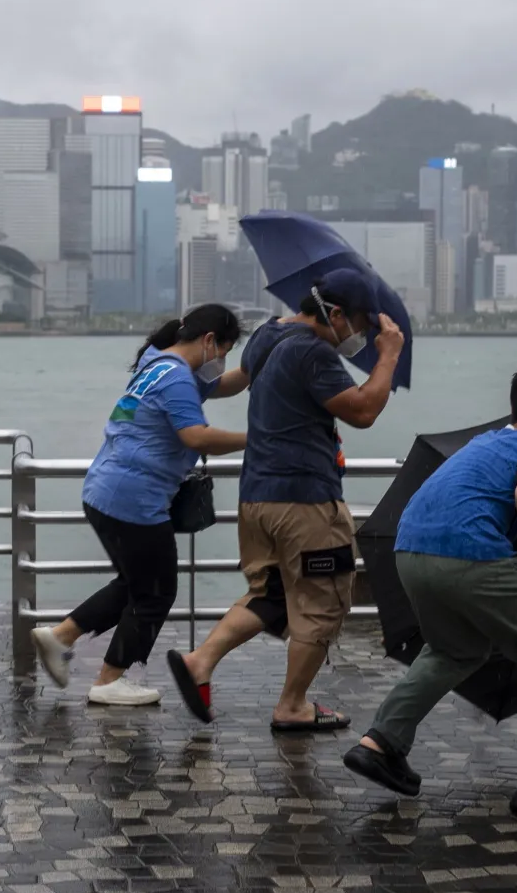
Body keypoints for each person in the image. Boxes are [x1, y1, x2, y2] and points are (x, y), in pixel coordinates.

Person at [341, 358, 517, 819]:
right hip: (470, 553)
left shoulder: (487, 441)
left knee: (454, 649)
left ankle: (380, 742)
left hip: (411, 548)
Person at [164, 268, 403, 731]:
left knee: (271, 594)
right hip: (305, 501)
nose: (362, 335)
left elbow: (241, 380)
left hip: (257, 499)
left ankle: (200, 662)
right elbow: (363, 411)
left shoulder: (268, 334)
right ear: (334, 314)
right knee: (324, 601)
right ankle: (293, 705)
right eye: (359, 323)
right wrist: (388, 356)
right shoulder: (313, 353)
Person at [32, 304, 249, 705]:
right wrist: (256, 440)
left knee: (134, 584)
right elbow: (197, 437)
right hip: (135, 499)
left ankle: (60, 637)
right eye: (224, 353)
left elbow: (224, 385)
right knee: (156, 592)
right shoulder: (177, 380)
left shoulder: (158, 364)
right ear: (207, 342)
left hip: (105, 491)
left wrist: (256, 364)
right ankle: (110, 680)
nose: (223, 362)